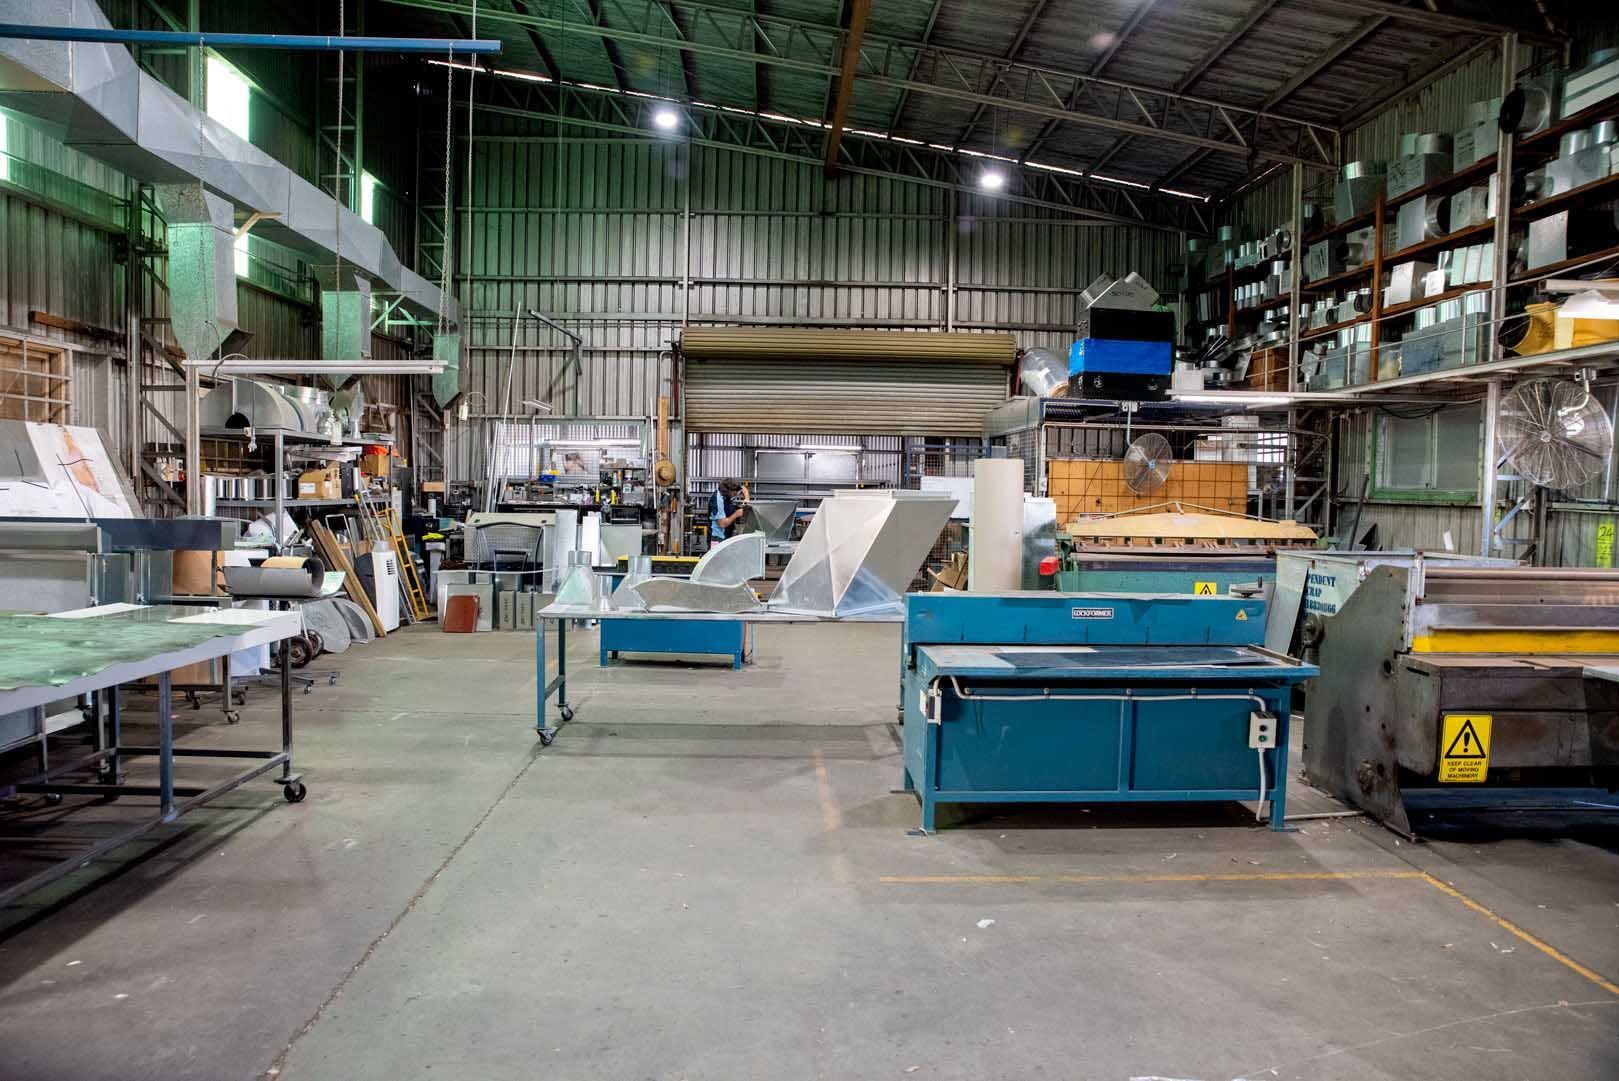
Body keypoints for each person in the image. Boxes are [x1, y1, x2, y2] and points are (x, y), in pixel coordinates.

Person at [708, 478, 748, 543]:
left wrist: (746, 499)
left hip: (727, 534)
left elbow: (743, 489)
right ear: (728, 490)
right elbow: (722, 524)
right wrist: (736, 514)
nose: (736, 494)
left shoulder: (726, 493)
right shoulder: (718, 500)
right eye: (734, 493)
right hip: (718, 538)